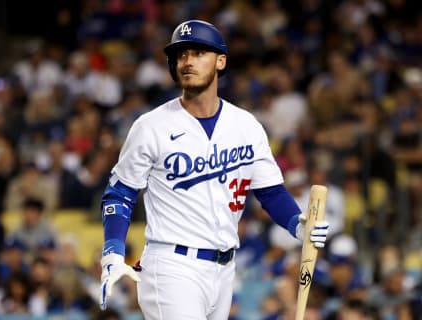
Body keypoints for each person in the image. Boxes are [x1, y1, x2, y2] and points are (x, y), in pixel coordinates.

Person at [98, 20, 329, 320]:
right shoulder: (150, 127)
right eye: (181, 55)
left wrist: (296, 224)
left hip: (224, 270)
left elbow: (270, 192)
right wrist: (113, 251)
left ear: (221, 61)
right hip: (172, 266)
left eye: (198, 53)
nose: (188, 61)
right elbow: (120, 193)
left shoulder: (246, 126)